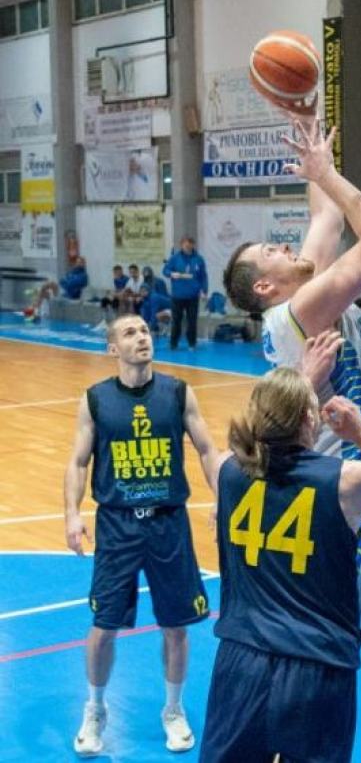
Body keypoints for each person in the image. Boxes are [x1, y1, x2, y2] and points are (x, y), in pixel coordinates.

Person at [199, 366, 361, 762]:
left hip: (242, 658)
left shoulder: (227, 470)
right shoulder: (350, 480)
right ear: (310, 419)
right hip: (317, 664)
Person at [222, 117, 361, 635]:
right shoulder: (296, 313)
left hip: (349, 471)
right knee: (341, 632)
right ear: (263, 287)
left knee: (346, 631)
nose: (283, 247)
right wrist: (327, 174)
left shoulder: (301, 295)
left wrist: (306, 128)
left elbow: (326, 216)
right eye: (271, 253)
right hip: (341, 484)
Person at [64, 314, 219, 756]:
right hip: (117, 526)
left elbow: (208, 449)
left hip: (169, 523)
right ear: (113, 348)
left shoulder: (178, 392)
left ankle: (173, 710)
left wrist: (223, 497)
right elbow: (77, 462)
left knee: (176, 625)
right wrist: (72, 514)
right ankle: (95, 709)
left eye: (146, 331)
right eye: (130, 333)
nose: (142, 337)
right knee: (103, 625)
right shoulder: (95, 400)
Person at [164, 237, 209, 351]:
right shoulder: (174, 258)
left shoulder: (199, 259)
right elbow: (165, 270)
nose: (188, 247)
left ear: (193, 245)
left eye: (190, 245)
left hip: (193, 296)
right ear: (182, 245)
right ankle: (173, 343)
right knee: (176, 321)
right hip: (177, 296)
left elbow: (203, 276)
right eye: (185, 245)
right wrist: (171, 274)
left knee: (192, 321)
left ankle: (192, 343)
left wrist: (204, 290)